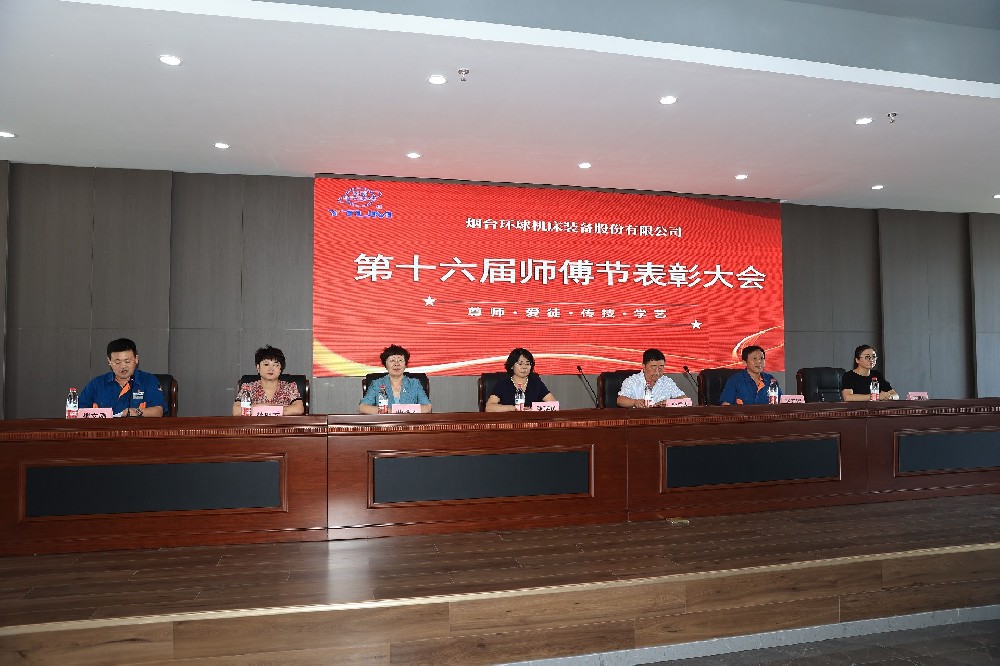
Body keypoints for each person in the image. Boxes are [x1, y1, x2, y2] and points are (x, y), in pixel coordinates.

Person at [79, 338, 166, 417]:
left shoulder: (149, 381)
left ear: (136, 359)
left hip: (136, 428)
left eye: (127, 361)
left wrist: (136, 412)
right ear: (109, 361)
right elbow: (78, 411)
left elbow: (158, 411)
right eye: (117, 362)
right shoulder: (96, 384)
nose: (123, 366)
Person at [359, 344, 432, 414]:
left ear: (405, 365)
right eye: (392, 360)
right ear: (385, 365)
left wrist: (401, 410)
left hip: (409, 422)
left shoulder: (415, 383)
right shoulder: (377, 384)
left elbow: (427, 407)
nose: (396, 364)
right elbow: (363, 407)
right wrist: (390, 411)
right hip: (385, 422)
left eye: (400, 360)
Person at [233, 345, 305, 415]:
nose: (271, 369)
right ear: (258, 368)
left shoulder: (289, 387)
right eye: (266, 364)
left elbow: (299, 409)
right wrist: (276, 409)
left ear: (280, 369)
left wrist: (259, 408)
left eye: (275, 365)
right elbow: (236, 411)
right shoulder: (248, 388)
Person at [486, 348, 556, 412]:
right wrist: (513, 408)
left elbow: (554, 405)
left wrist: (533, 409)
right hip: (509, 420)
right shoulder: (502, 384)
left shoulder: (536, 383)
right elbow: (489, 408)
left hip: (532, 420)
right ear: (512, 366)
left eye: (527, 364)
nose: (524, 367)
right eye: (520, 364)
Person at [617, 348, 688, 408]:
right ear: (644, 366)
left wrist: (668, 403)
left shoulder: (667, 382)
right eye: (653, 367)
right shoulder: (632, 381)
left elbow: (686, 401)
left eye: (660, 368)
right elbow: (620, 400)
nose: (657, 372)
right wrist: (635, 402)